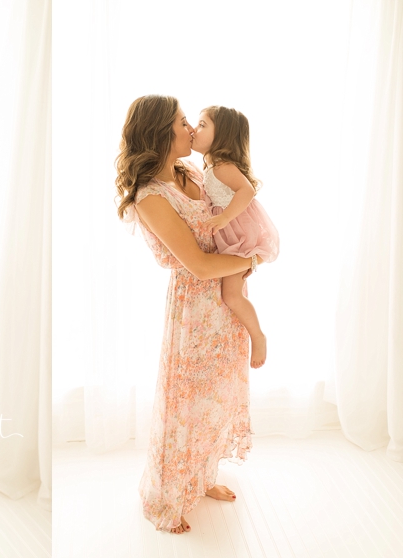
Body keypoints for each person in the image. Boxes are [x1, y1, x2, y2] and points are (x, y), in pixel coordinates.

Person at [115, 95, 260, 534]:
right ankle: (167, 498)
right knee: (185, 404)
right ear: (162, 132)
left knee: (218, 395)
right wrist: (250, 261)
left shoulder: (190, 171)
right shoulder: (149, 197)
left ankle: (202, 477)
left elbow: (235, 207)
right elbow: (197, 264)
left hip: (224, 302)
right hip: (194, 309)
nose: (190, 129)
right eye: (182, 122)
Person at [192, 106, 279, 368]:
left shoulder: (222, 166)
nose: (195, 130)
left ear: (223, 136)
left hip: (238, 234)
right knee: (231, 294)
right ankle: (255, 335)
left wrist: (226, 217)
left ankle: (258, 336)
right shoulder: (209, 166)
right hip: (231, 233)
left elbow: (247, 190)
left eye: (203, 125)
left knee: (232, 296)